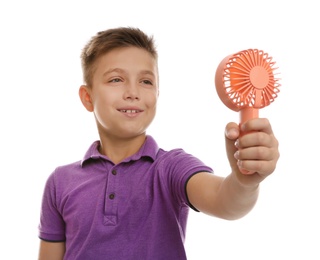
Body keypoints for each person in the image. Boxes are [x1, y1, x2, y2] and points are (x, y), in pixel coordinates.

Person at [38, 27, 280, 260]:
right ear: (88, 97)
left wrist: (243, 182)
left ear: (157, 94)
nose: (133, 92)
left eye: (146, 82)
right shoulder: (60, 182)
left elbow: (226, 201)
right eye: (116, 79)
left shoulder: (172, 167)